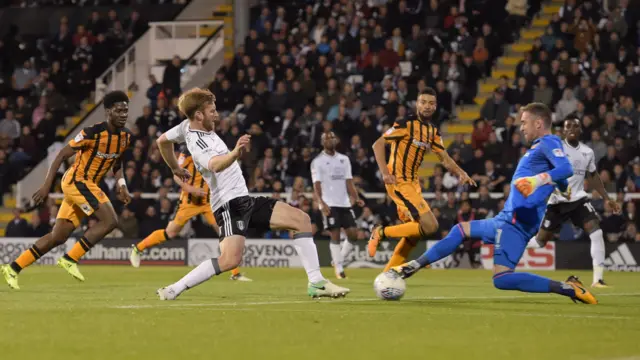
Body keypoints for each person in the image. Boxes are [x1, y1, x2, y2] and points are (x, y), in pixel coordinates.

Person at [391, 103, 598, 304]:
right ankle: (413, 266)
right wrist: (562, 187)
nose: (522, 127)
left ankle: (567, 288)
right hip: (506, 218)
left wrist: (538, 180)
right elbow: (561, 177)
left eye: (525, 122)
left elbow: (566, 169)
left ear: (538, 123)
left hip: (517, 222)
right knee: (460, 230)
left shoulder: (549, 141)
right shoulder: (539, 148)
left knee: (502, 278)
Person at [154, 88, 349, 300]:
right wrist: (235, 153)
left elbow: (162, 141)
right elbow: (215, 165)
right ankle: (175, 289)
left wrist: (174, 167)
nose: (217, 114)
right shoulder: (199, 143)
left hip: (243, 199)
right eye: (212, 111)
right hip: (229, 205)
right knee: (229, 260)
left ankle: (316, 283)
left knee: (301, 220)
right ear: (199, 115)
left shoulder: (184, 126)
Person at [2, 91, 133, 289]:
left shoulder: (125, 137)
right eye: (119, 110)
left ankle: (13, 268)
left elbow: (117, 163)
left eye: (126, 110)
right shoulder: (92, 132)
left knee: (58, 237)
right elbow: (62, 154)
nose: (124, 114)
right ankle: (71, 258)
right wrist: (47, 185)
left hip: (87, 186)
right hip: (77, 181)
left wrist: (122, 185)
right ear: (108, 112)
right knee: (111, 220)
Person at [368, 88, 475, 272]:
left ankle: (387, 274)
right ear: (417, 104)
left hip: (414, 184)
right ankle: (380, 232)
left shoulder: (432, 131)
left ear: (435, 106)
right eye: (423, 102)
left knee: (415, 232)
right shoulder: (405, 123)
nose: (427, 106)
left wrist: (461, 172)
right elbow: (377, 144)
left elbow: (444, 157)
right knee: (431, 225)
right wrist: (385, 172)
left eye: (431, 103)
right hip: (399, 183)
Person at [130, 145, 251, 282]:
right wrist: (190, 189)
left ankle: (235, 273)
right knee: (171, 232)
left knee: (224, 231)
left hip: (208, 201)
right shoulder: (187, 151)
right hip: (189, 201)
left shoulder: (215, 148)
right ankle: (138, 248)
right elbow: (176, 175)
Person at [529, 118, 621, 288]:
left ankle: (598, 280)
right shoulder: (556, 149)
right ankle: (511, 245)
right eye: (567, 126)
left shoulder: (587, 152)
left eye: (575, 126)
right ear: (563, 131)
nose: (571, 129)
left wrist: (607, 198)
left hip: (578, 200)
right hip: (557, 202)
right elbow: (543, 172)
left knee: (596, 233)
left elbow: (593, 176)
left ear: (580, 130)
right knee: (539, 242)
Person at [311, 131, 365, 279]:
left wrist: (356, 197)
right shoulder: (317, 161)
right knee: (335, 234)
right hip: (330, 203)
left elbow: (349, 181)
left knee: (353, 234)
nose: (330, 140)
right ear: (322, 142)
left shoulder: (344, 159)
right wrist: (321, 202)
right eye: (327, 138)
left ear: (336, 140)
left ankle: (337, 260)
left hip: (345, 203)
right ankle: (339, 270)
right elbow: (316, 184)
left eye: (333, 137)